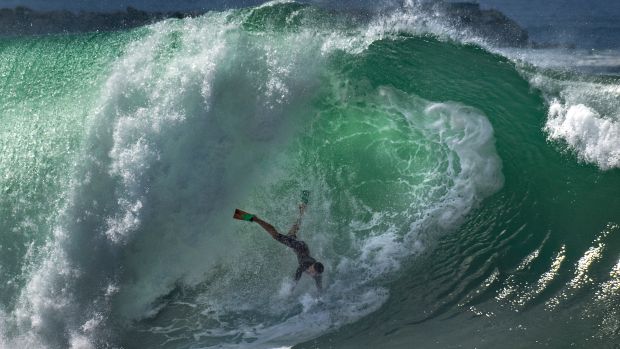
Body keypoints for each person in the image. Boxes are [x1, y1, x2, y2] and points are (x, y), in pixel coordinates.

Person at [238, 204, 323, 294]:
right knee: (275, 235)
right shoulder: (304, 266)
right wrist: (290, 292)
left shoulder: (318, 276)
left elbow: (319, 287)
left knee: (291, 235)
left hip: (303, 248)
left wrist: (320, 298)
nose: (309, 270)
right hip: (299, 246)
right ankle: (255, 219)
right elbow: (296, 278)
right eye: (311, 268)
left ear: (317, 274)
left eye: (312, 271)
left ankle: (302, 212)